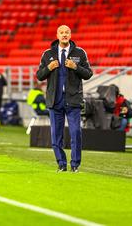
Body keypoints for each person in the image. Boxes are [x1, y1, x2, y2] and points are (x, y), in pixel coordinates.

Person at [36, 25, 92, 173]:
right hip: (55, 101)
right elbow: (39, 75)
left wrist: (75, 67)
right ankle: (61, 164)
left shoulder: (80, 53)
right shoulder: (48, 54)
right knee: (56, 136)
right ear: (57, 35)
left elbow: (88, 74)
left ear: (70, 35)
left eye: (67, 32)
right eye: (62, 32)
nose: (64, 35)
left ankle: (75, 165)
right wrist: (49, 68)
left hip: (73, 100)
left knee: (75, 133)